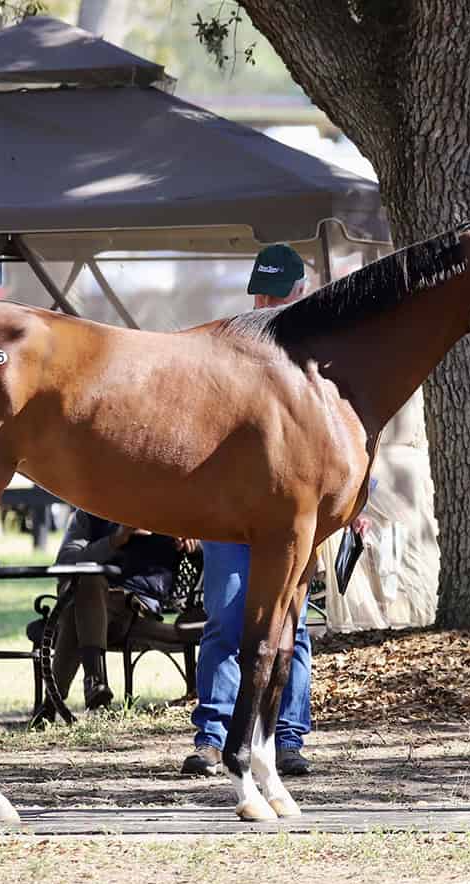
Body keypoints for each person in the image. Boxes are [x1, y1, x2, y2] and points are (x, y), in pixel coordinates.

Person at [182, 244, 315, 779]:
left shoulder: (317, 357)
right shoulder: (229, 349)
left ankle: (287, 738)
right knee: (225, 619)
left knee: (290, 626)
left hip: (291, 516)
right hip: (231, 514)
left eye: (276, 296)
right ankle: (212, 738)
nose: (265, 304)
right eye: (260, 294)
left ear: (300, 293)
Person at [52, 508, 199, 711]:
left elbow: (222, 553)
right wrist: (115, 540)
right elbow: (65, 563)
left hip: (138, 612)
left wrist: (195, 545)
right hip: (95, 604)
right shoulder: (91, 511)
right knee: (89, 579)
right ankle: (92, 681)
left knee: (74, 612)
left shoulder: (172, 509)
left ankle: (58, 698)